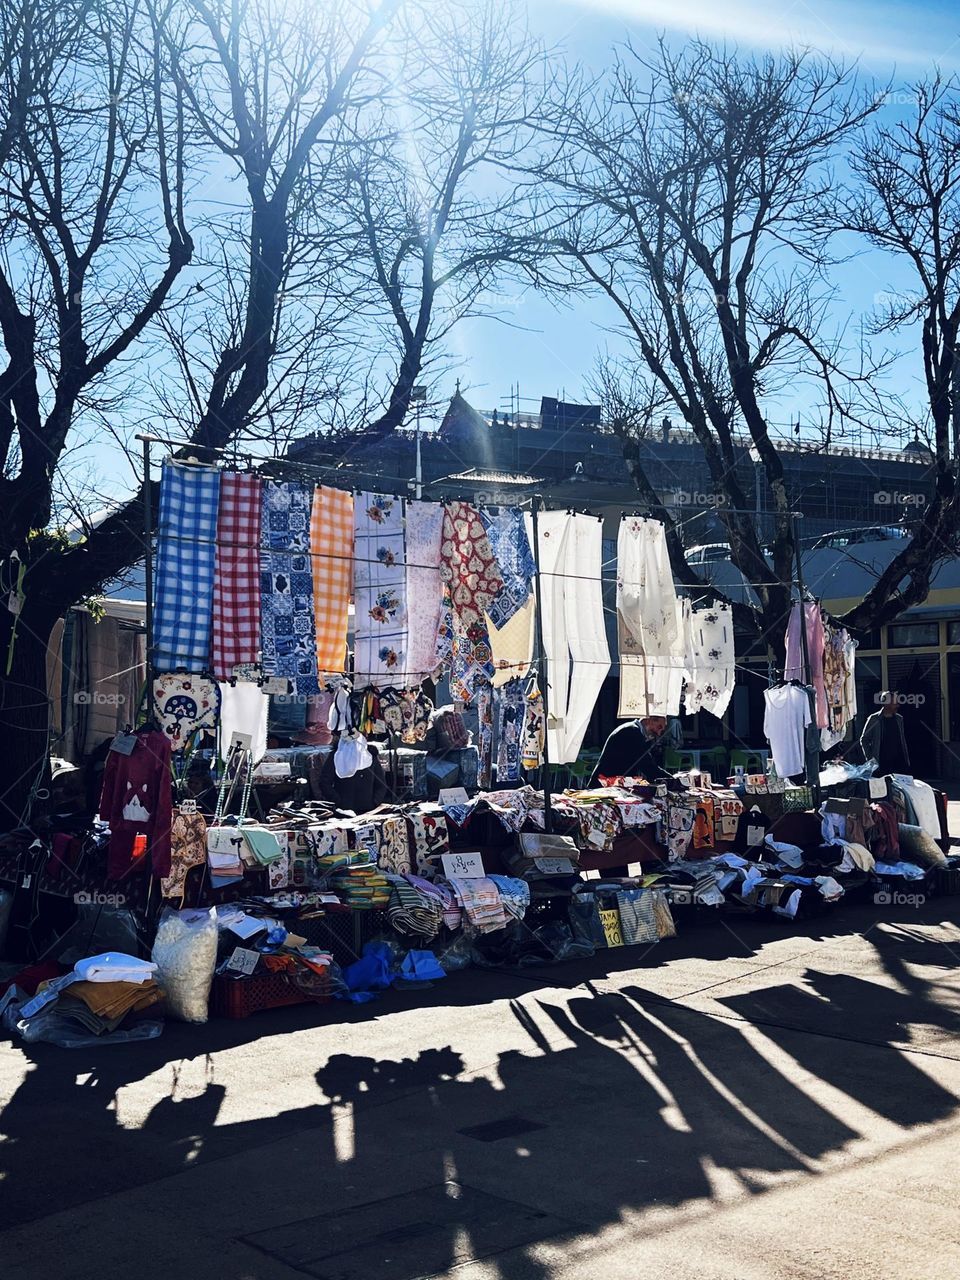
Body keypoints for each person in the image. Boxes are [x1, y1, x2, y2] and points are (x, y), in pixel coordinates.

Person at [590, 715, 671, 784]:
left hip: (612, 783)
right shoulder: (632, 731)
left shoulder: (635, 731)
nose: (659, 733)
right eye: (659, 727)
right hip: (604, 785)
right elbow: (647, 765)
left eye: (661, 731)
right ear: (649, 720)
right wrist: (672, 780)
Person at [860, 691, 911, 775]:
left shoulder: (899, 719)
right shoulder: (874, 719)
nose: (897, 705)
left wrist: (907, 760)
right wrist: (871, 759)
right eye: (895, 703)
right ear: (886, 703)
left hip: (898, 763)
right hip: (882, 764)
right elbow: (864, 739)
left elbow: (902, 740)